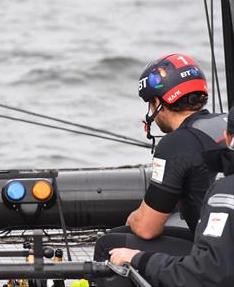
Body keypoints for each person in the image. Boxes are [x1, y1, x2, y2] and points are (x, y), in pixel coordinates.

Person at [93, 53, 227, 286]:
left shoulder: (177, 142)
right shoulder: (225, 124)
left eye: (150, 103)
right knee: (122, 231)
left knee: (109, 244)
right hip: (223, 241)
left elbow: (147, 228)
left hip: (217, 258)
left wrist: (135, 218)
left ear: (158, 103)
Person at [109, 110, 234, 286]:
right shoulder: (219, 120)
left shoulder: (224, 190)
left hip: (212, 258)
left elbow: (208, 273)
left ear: (227, 138)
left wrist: (140, 259)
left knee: (109, 245)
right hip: (216, 248)